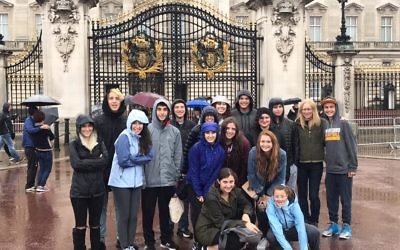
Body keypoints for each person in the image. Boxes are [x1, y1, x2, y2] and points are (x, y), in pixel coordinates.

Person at [108, 109, 153, 250]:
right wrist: (139, 159)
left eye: (140, 124)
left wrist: (133, 158)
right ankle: (124, 244)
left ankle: (129, 243)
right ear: (130, 123)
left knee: (133, 216)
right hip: (121, 182)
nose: (137, 126)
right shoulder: (124, 137)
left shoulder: (143, 138)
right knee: (124, 215)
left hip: (136, 182)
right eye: (135, 123)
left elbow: (150, 156)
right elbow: (123, 161)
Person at [142, 98, 182, 250]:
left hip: (168, 180)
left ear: (168, 112)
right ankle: (149, 241)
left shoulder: (175, 132)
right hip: (150, 179)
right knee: (148, 213)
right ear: (154, 111)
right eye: (159, 109)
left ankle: (166, 238)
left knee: (166, 213)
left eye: (165, 110)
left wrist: (176, 174)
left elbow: (178, 155)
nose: (162, 113)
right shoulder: (147, 130)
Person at [93, 87, 127, 249]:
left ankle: (121, 236)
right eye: (111, 98)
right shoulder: (98, 121)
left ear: (121, 101)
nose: (114, 101)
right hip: (102, 169)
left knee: (121, 207)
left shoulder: (126, 121)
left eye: (117, 98)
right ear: (107, 101)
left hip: (121, 169)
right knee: (101, 207)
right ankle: (100, 239)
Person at [69, 114, 109, 250]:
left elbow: (105, 161)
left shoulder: (99, 142)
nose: (87, 129)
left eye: (89, 126)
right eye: (84, 126)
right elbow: (76, 164)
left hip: (97, 190)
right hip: (79, 192)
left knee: (95, 225)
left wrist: (86, 162)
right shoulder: (74, 143)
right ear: (79, 128)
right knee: (80, 225)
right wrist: (96, 161)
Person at [320, 96, 358, 240]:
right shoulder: (324, 125)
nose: (329, 110)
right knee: (331, 199)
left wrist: (353, 166)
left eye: (331, 107)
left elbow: (351, 145)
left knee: (345, 199)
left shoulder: (343, 123)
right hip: (330, 170)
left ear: (336, 108)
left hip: (344, 170)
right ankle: (334, 224)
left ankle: (346, 225)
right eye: (326, 107)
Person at [195, 168, 260, 250]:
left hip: (227, 222)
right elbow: (221, 223)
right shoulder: (211, 198)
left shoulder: (235, 191)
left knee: (250, 217)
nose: (229, 185)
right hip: (209, 229)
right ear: (219, 181)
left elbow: (247, 204)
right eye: (225, 182)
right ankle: (204, 248)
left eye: (231, 182)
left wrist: (246, 215)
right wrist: (244, 223)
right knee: (236, 241)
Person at [187, 122, 225, 250]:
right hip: (195, 187)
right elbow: (193, 171)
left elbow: (215, 173)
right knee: (197, 215)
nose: (210, 135)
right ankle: (197, 242)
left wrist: (207, 191)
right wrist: (199, 193)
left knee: (208, 216)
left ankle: (206, 240)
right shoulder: (196, 149)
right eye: (207, 133)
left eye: (213, 132)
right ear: (203, 134)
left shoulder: (220, 151)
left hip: (209, 188)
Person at [293, 99, 327, 227]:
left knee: (313, 195)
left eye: (309, 109)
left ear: (313, 110)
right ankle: (305, 219)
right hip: (301, 163)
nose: (306, 112)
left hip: (316, 164)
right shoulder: (297, 124)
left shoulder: (321, 123)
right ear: (301, 111)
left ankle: (314, 219)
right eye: (304, 109)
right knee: (302, 194)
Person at [247, 130, 286, 236]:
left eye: (268, 142)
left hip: (274, 185)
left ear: (273, 143)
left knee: (277, 206)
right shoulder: (253, 153)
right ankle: (263, 234)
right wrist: (261, 194)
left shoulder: (281, 154)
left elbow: (280, 178)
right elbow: (251, 175)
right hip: (258, 185)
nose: (265, 144)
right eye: (262, 141)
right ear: (259, 142)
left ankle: (277, 233)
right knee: (261, 208)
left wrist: (269, 195)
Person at [170, 99, 196, 239]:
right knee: (170, 198)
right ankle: (169, 226)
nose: (180, 110)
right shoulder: (168, 125)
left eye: (182, 107)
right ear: (173, 110)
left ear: (185, 110)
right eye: (177, 107)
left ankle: (183, 227)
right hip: (172, 165)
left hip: (187, 165)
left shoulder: (192, 125)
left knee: (184, 198)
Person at [266, 185, 320, 250]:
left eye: (282, 196)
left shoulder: (294, 204)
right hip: (280, 230)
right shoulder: (270, 205)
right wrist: (288, 248)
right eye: (276, 196)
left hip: (293, 228)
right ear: (273, 196)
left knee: (314, 232)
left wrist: (304, 248)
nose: (279, 199)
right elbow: (276, 227)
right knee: (270, 236)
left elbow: (300, 227)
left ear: (287, 196)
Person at [182, 106, 219, 176]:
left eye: (211, 116)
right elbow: (187, 151)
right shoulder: (196, 130)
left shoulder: (219, 131)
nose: (209, 118)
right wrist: (184, 171)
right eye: (207, 116)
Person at [269, 97, 297, 190]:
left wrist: (293, 163)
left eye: (280, 106)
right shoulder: (267, 124)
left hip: (289, 162)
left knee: (290, 192)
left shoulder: (290, 124)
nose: (278, 109)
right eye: (275, 107)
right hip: (272, 164)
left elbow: (295, 144)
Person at [219, 117, 251, 187]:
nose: (230, 131)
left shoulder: (244, 143)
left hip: (237, 183)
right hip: (220, 182)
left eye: (233, 129)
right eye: (227, 128)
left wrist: (238, 184)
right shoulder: (218, 141)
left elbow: (245, 166)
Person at [30, 110, 55, 192]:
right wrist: (48, 128)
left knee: (42, 169)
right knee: (47, 169)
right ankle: (41, 185)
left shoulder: (34, 128)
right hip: (47, 150)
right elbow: (52, 137)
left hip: (38, 150)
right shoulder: (45, 128)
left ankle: (38, 185)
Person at [23, 106, 46, 192]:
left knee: (33, 166)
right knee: (32, 166)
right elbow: (30, 130)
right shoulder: (29, 120)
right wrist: (40, 128)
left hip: (32, 146)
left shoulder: (32, 120)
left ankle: (30, 185)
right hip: (30, 146)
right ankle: (29, 186)